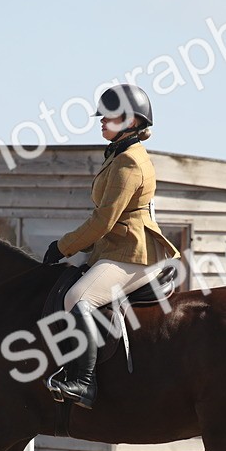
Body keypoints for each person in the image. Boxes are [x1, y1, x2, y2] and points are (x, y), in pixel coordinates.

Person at [41, 83, 181, 409]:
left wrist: (63, 246)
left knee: (80, 296)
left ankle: (83, 382)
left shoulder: (129, 162)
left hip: (134, 251)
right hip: (113, 247)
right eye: (101, 115)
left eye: (109, 116)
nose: (101, 120)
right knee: (61, 282)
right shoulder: (119, 155)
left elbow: (103, 220)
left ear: (131, 122)